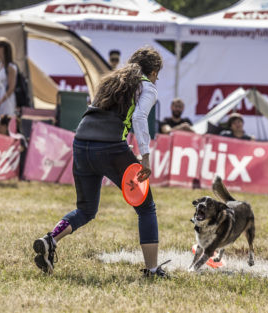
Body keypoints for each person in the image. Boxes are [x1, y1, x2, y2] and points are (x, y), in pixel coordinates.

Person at [32, 47, 170, 278]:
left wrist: (124, 152)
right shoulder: (147, 86)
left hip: (81, 143)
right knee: (146, 207)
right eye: (158, 74)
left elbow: (102, 117)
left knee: (85, 209)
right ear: (153, 71)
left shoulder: (112, 81)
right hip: (109, 147)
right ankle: (153, 270)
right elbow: (138, 117)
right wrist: (145, 157)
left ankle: (50, 240)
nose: (157, 79)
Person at [0, 37, 17, 118]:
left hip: (6, 101)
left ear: (2, 49)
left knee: (3, 122)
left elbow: (11, 88)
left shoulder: (11, 66)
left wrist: (0, 102)